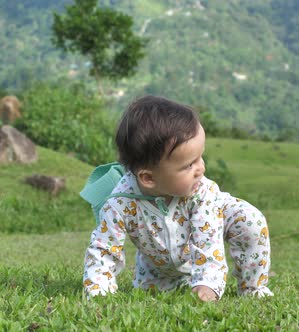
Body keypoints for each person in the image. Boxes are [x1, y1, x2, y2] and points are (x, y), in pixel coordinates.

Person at [82, 95, 273, 301]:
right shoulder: (119, 203)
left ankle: (252, 288)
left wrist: (207, 284)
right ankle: (173, 281)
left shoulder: (201, 191)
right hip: (159, 268)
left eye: (201, 157)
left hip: (207, 229)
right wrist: (99, 293)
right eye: (189, 165)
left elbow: (207, 240)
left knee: (250, 220)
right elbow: (103, 249)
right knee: (156, 294)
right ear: (148, 178)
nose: (201, 168)